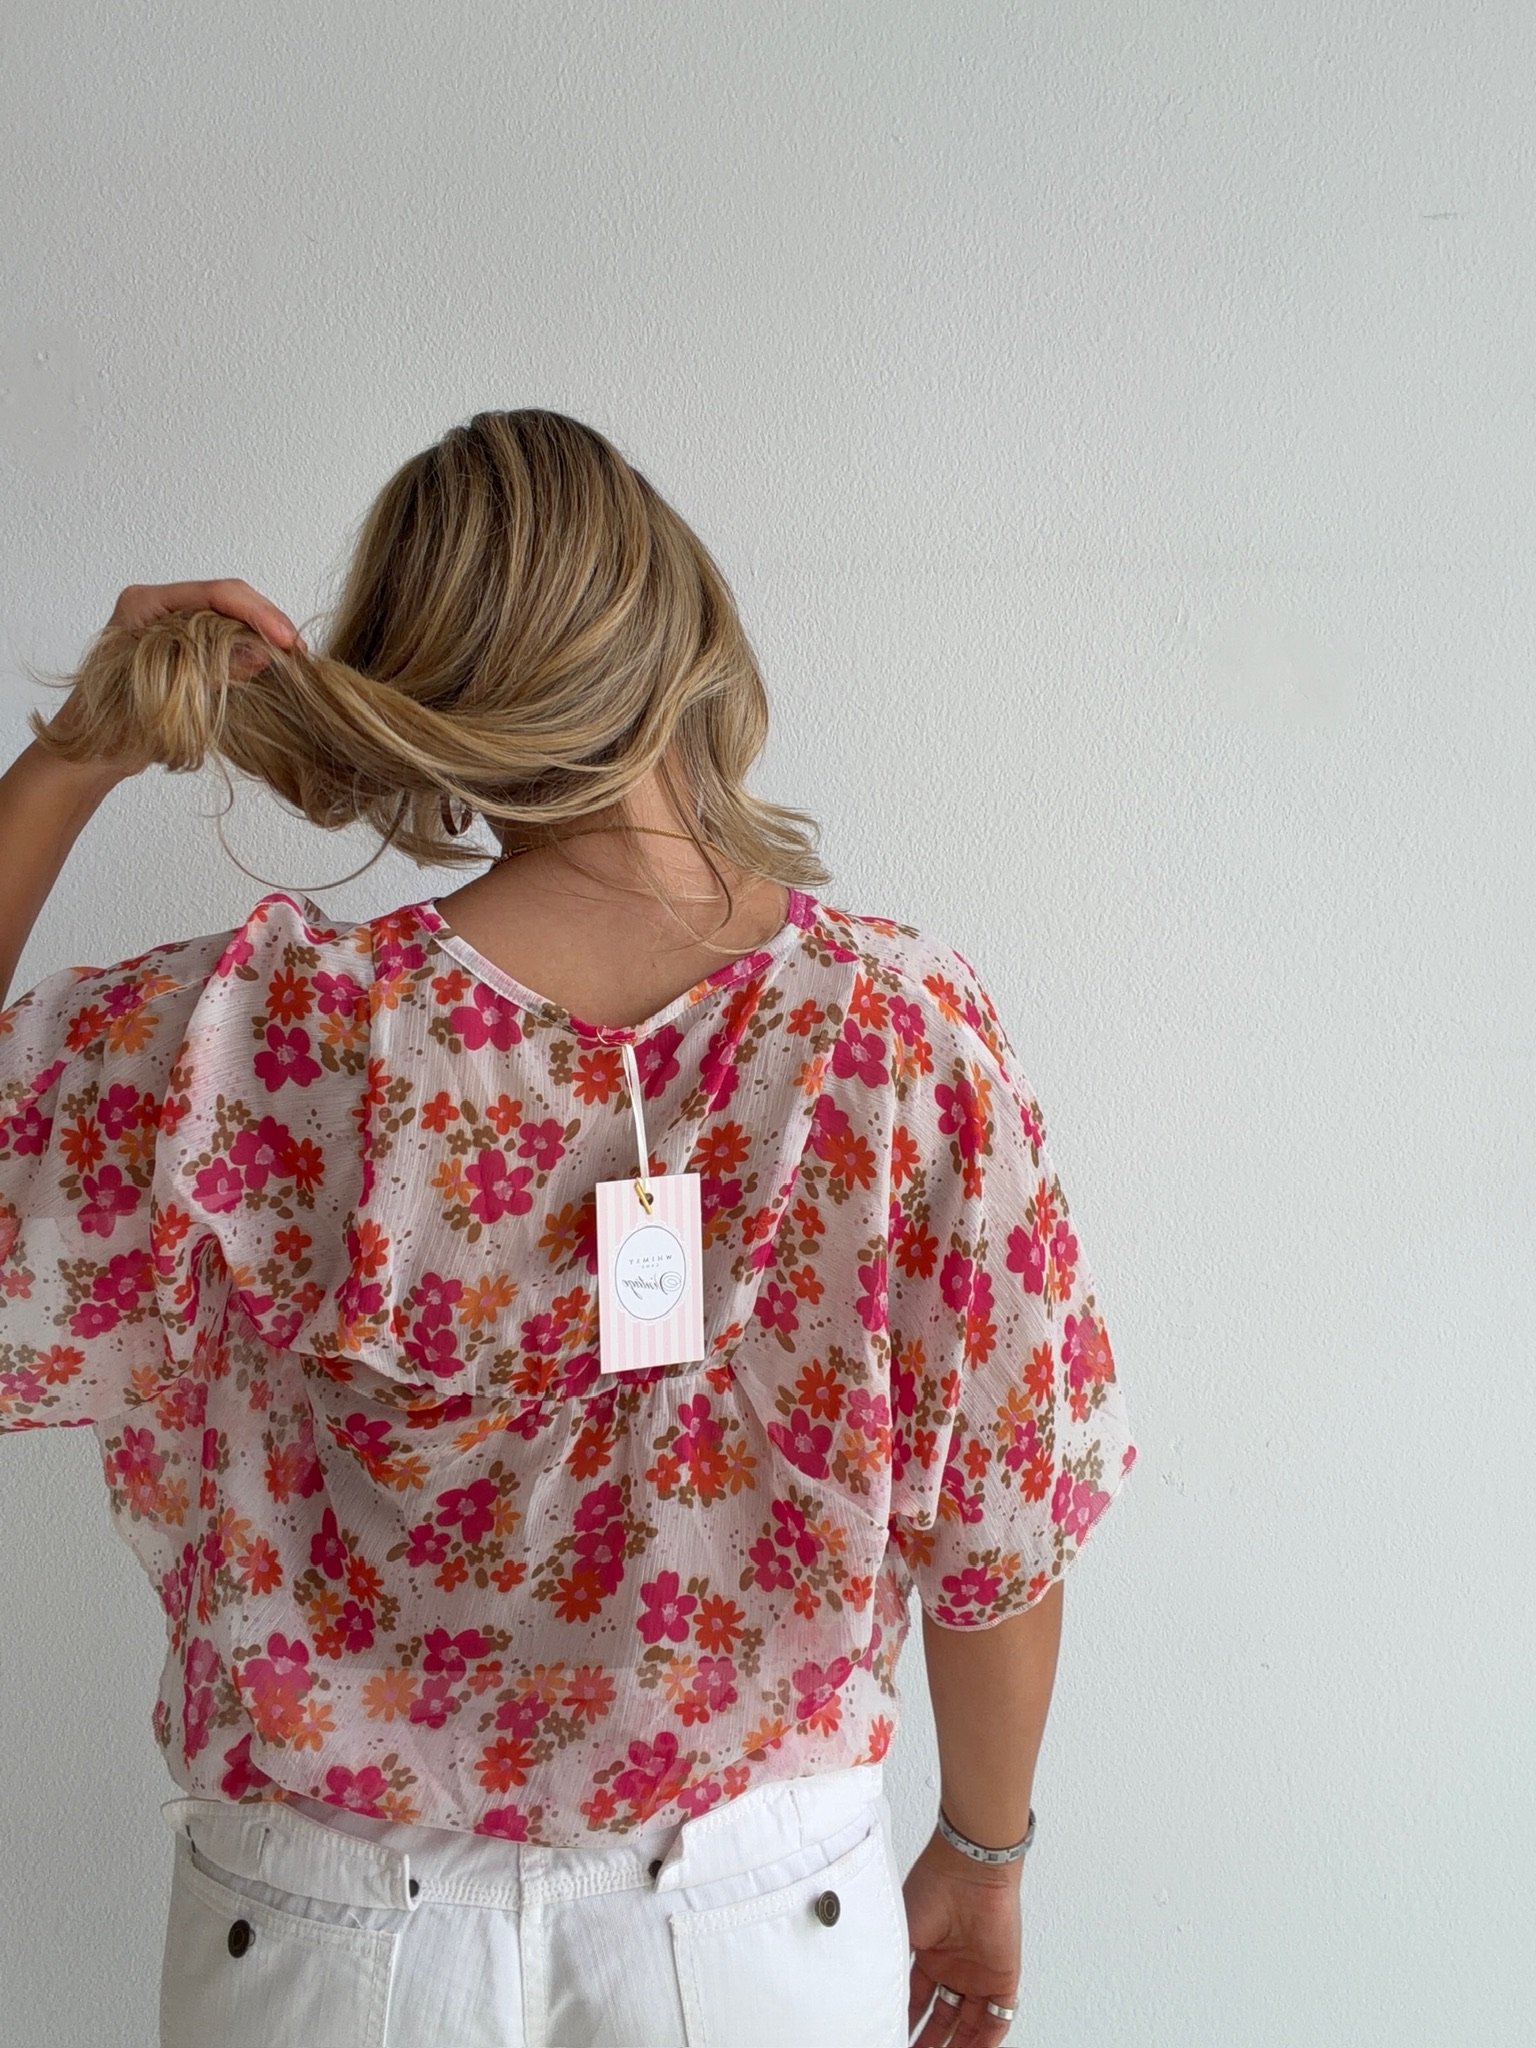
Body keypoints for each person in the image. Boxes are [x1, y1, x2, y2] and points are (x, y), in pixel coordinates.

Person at [0, 410, 1136, 2048]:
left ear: (420, 690)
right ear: (688, 643)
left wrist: (73, 757)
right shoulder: (895, 1030)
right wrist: (984, 1850)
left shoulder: (262, 1037)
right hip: (750, 1930)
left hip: (322, 1942)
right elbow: (1001, 1510)